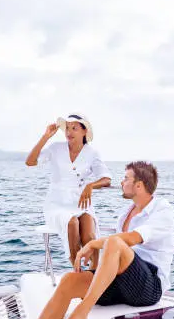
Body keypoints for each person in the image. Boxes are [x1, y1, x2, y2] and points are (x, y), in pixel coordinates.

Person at [0, 161, 174, 319]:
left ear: (139, 185)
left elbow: (132, 239)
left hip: (148, 287)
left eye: (126, 179)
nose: (121, 183)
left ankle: (80, 316)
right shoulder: (127, 212)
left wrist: (93, 243)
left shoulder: (163, 209)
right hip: (123, 281)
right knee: (69, 281)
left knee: (114, 243)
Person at [25, 113, 111, 268]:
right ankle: (76, 269)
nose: (69, 132)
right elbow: (30, 162)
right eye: (67, 128)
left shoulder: (92, 153)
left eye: (74, 128)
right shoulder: (55, 148)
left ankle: (95, 271)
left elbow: (106, 179)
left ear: (84, 131)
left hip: (80, 203)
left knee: (89, 233)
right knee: (71, 222)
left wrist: (90, 186)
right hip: (57, 204)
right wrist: (45, 137)